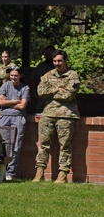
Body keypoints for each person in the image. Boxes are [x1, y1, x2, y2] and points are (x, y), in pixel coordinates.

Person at [34, 50, 80, 183]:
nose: (57, 64)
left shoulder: (73, 75)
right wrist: (57, 89)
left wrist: (52, 92)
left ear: (65, 60)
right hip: (48, 114)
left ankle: (63, 174)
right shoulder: (48, 75)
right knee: (43, 144)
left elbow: (68, 95)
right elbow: (40, 91)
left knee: (64, 145)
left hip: (66, 115)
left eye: (59, 61)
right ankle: (39, 172)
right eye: (55, 61)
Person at [0, 66, 29, 181]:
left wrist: (7, 102)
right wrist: (15, 101)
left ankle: (11, 172)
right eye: (11, 75)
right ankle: (1, 170)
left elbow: (22, 106)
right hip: (4, 117)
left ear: (20, 76)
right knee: (2, 144)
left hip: (18, 118)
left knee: (16, 145)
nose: (13, 77)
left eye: (15, 75)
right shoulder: (5, 85)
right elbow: (0, 102)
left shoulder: (25, 88)